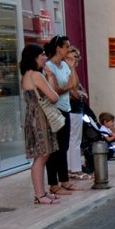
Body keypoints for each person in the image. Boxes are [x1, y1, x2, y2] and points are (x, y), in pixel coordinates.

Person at [19, 43, 61, 205]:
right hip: (41, 118)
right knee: (42, 156)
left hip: (33, 116)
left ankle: (41, 192)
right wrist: (49, 77)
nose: (45, 57)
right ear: (35, 58)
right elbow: (54, 97)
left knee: (42, 155)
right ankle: (39, 194)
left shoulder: (27, 75)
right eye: (42, 55)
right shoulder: (36, 75)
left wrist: (49, 76)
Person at [44, 35, 81, 196]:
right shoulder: (48, 66)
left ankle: (64, 181)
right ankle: (53, 183)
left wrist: (72, 67)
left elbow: (74, 85)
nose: (68, 49)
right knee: (54, 148)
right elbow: (55, 90)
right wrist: (66, 88)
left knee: (64, 146)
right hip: (53, 111)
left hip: (65, 109)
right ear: (59, 48)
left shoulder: (65, 66)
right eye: (66, 46)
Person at [65, 46, 88, 177]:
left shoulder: (70, 71)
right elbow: (74, 91)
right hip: (72, 109)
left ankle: (71, 168)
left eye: (76, 57)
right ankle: (74, 169)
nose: (75, 60)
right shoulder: (68, 71)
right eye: (72, 57)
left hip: (75, 109)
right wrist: (80, 94)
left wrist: (80, 93)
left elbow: (79, 90)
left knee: (73, 140)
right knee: (74, 140)